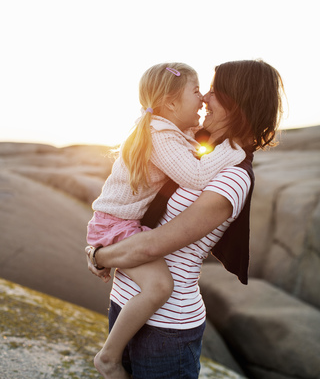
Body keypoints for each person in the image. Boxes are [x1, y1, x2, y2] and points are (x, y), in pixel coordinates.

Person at [86, 59, 284, 379]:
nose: (205, 97)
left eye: (214, 91)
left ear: (237, 101)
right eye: (200, 90)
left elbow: (152, 246)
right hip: (127, 301)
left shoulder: (232, 175)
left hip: (165, 325)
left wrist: (98, 256)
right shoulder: (193, 143)